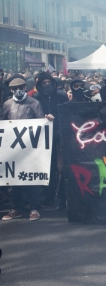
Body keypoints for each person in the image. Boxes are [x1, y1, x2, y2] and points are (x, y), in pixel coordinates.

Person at [1, 75, 54, 221]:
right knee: (15, 179)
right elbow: (2, 122)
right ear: (11, 89)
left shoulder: (34, 102)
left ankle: (34, 207)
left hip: (31, 148)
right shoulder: (7, 104)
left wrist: (47, 120)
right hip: (13, 149)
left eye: (20, 87)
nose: (18, 90)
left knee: (31, 178)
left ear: (25, 88)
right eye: (15, 88)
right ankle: (16, 208)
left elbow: (40, 122)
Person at [33, 72, 69, 208]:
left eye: (49, 82)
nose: (47, 85)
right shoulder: (36, 97)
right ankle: (48, 195)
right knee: (47, 167)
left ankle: (61, 198)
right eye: (44, 83)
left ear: (53, 83)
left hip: (59, 135)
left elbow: (66, 112)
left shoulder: (60, 95)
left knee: (60, 168)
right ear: (39, 84)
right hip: (43, 138)